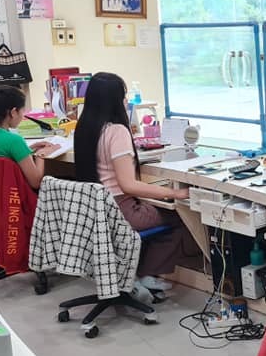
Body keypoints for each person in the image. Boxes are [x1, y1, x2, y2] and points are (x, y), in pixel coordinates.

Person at [73, 72, 200, 286]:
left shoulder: (85, 127)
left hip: (97, 211)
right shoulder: (116, 131)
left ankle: (136, 272)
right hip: (121, 211)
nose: (126, 101)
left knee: (159, 208)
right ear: (114, 100)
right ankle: (148, 274)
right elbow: (128, 185)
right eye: (123, 96)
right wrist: (175, 193)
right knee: (180, 216)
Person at [0, 86, 56, 190]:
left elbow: (7, 155)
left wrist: (29, 149)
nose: (23, 116)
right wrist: (41, 154)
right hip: (17, 196)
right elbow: (36, 182)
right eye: (22, 111)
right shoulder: (14, 141)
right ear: (13, 112)